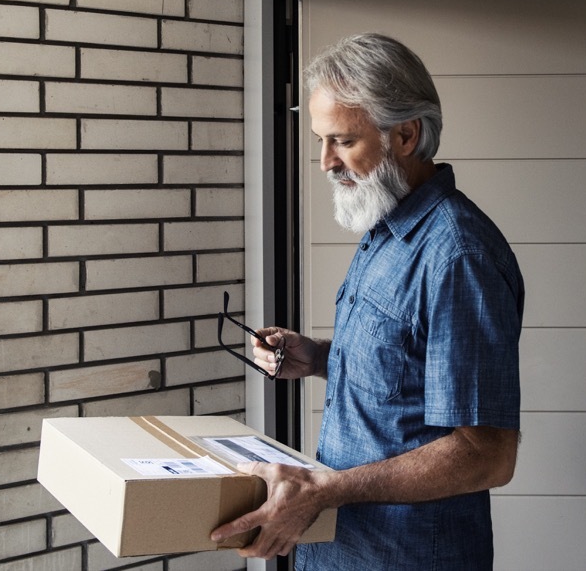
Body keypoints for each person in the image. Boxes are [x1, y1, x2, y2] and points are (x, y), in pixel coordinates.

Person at [210, 33, 524, 569]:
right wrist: (318, 357)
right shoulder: (384, 226)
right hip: (340, 549)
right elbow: (409, 374)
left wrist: (324, 491)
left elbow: (486, 454)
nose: (325, 162)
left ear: (406, 135)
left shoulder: (458, 256)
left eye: (343, 141)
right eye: (321, 140)